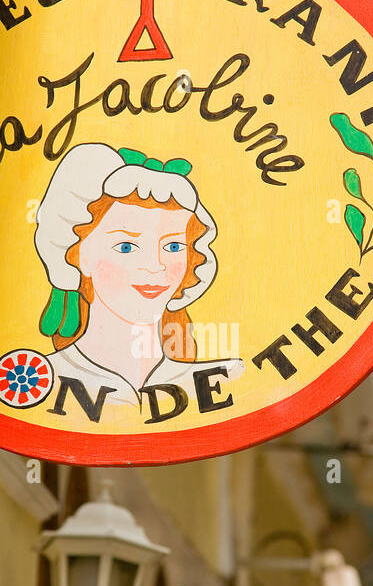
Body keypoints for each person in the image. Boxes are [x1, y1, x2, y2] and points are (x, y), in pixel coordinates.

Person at [33, 142, 244, 409]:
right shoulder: (39, 381)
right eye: (126, 246)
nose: (156, 266)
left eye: (173, 246)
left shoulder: (220, 383)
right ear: (78, 255)